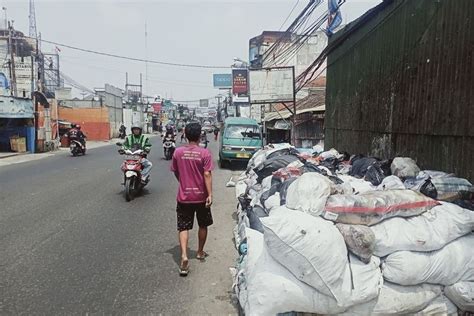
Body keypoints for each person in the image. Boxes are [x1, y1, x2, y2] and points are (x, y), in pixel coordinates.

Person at [171, 122, 213, 276]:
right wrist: (210, 194)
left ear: (185, 135)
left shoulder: (177, 152)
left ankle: (184, 255)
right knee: (203, 224)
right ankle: (200, 251)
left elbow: (176, 172)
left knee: (183, 227)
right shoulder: (205, 153)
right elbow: (207, 174)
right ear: (200, 135)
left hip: (184, 197)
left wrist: (183, 183)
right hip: (201, 196)